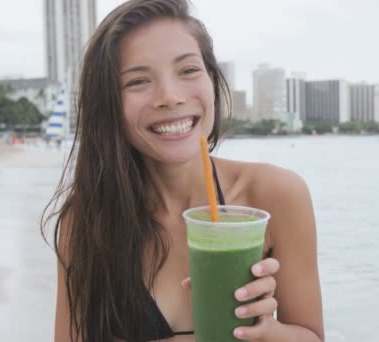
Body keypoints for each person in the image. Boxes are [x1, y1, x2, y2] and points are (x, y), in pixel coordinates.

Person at [41, 0, 323, 341]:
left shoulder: (274, 195)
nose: (170, 97)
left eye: (188, 70)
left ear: (212, 79)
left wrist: (269, 332)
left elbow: (311, 337)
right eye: (138, 81)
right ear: (109, 106)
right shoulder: (88, 221)